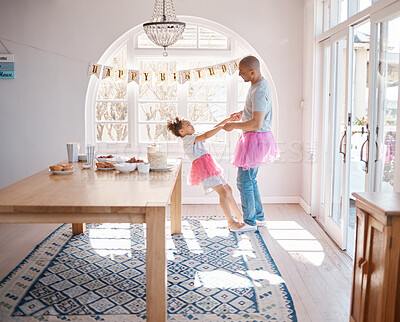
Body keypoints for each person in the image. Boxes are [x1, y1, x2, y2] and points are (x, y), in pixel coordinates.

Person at [223, 55, 280, 231]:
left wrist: (233, 125)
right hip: (254, 138)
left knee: (244, 182)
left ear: (253, 72)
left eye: (242, 72)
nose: (239, 75)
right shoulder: (256, 86)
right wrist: (243, 113)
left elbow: (257, 123)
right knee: (250, 180)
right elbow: (255, 112)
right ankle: (259, 217)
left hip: (255, 138)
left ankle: (249, 222)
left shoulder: (260, 89)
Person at [167, 116, 247, 231]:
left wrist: (227, 121)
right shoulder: (187, 140)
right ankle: (231, 222)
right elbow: (206, 135)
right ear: (182, 131)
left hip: (209, 165)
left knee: (228, 189)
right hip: (204, 168)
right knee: (223, 192)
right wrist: (222, 127)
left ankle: (239, 216)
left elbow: (210, 130)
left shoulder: (193, 137)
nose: (191, 125)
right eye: (188, 124)